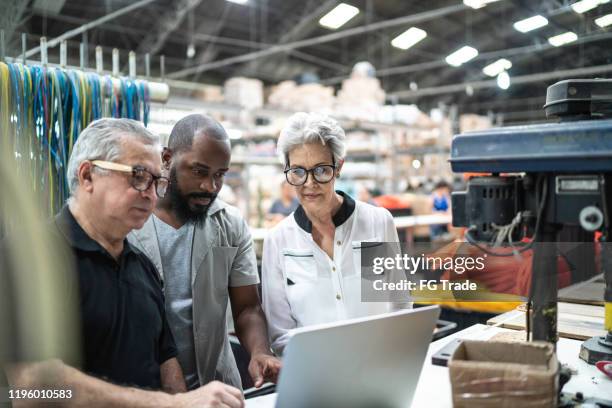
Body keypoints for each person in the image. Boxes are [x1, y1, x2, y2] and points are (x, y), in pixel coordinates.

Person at [4, 118, 244, 407]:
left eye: (158, 182)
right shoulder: (30, 259)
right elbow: (31, 388)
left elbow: (167, 365)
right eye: (138, 176)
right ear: (88, 176)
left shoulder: (142, 268)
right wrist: (172, 405)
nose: (151, 194)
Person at [129, 114, 281, 391]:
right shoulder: (129, 221)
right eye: (199, 171)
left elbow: (247, 306)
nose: (210, 187)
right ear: (166, 158)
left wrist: (260, 351)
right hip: (146, 392)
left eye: (219, 175)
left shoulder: (230, 223)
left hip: (217, 386)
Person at [261, 112, 405, 355]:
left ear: (338, 167)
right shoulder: (278, 240)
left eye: (321, 170)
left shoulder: (376, 223)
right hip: (315, 377)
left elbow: (399, 304)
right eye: (298, 171)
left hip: (378, 367)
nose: (309, 183)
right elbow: (280, 333)